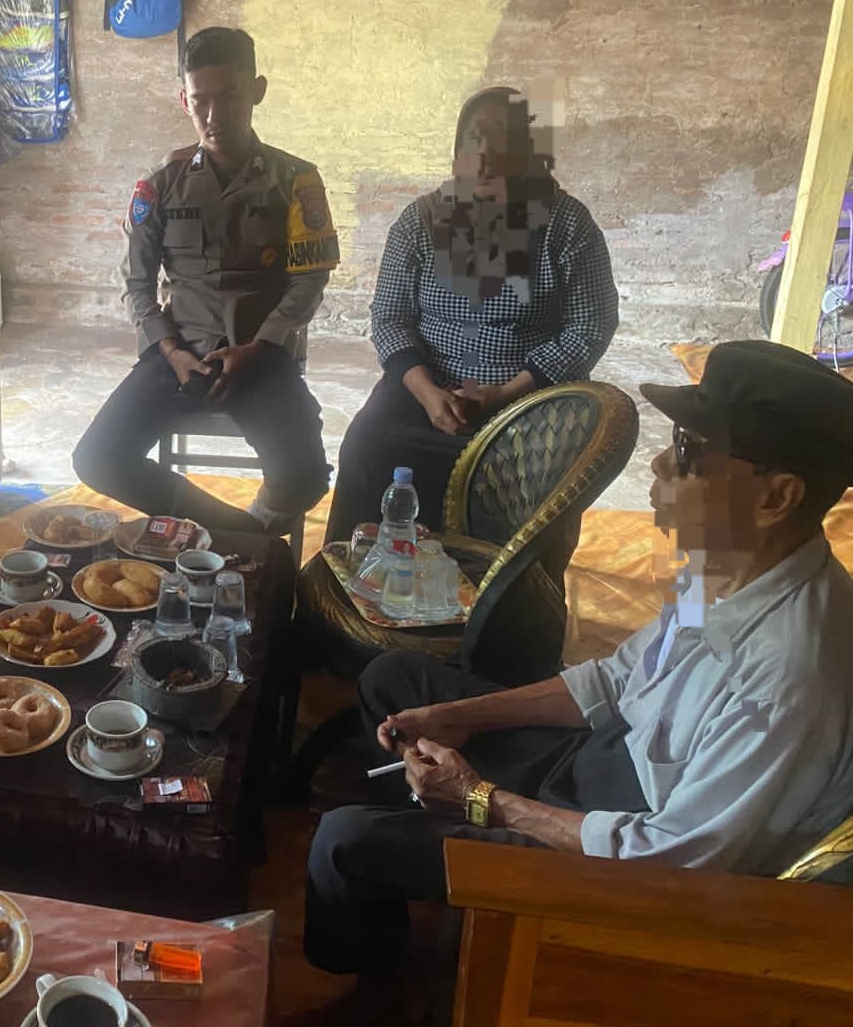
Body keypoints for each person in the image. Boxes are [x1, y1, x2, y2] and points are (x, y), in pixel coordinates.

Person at [305, 339, 853, 982]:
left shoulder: (790, 671)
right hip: (606, 760)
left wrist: (484, 799)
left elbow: (668, 857)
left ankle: (393, 978)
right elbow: (620, 679)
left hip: (621, 856)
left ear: (775, 497)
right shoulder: (724, 570)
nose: (660, 465)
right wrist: (461, 714)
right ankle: (429, 892)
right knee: (395, 683)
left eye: (690, 452)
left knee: (342, 842)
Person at [325, 87, 618, 571]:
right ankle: (350, 595)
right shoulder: (421, 221)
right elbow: (390, 317)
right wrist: (426, 392)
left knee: (535, 488)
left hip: (527, 395)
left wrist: (501, 394)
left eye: (503, 143)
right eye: (474, 141)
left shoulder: (567, 226)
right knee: (366, 445)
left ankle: (502, 609)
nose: (485, 159)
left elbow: (589, 327)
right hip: (427, 388)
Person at [72, 27, 340, 535]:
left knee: (305, 476)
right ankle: (233, 537)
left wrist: (259, 350)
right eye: (201, 102)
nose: (214, 118)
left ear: (256, 91)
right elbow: (136, 285)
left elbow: (308, 283)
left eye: (230, 98)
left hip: (260, 358)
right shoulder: (161, 183)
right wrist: (170, 351)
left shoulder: (296, 181)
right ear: (184, 99)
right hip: (179, 357)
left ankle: (237, 540)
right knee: (97, 458)